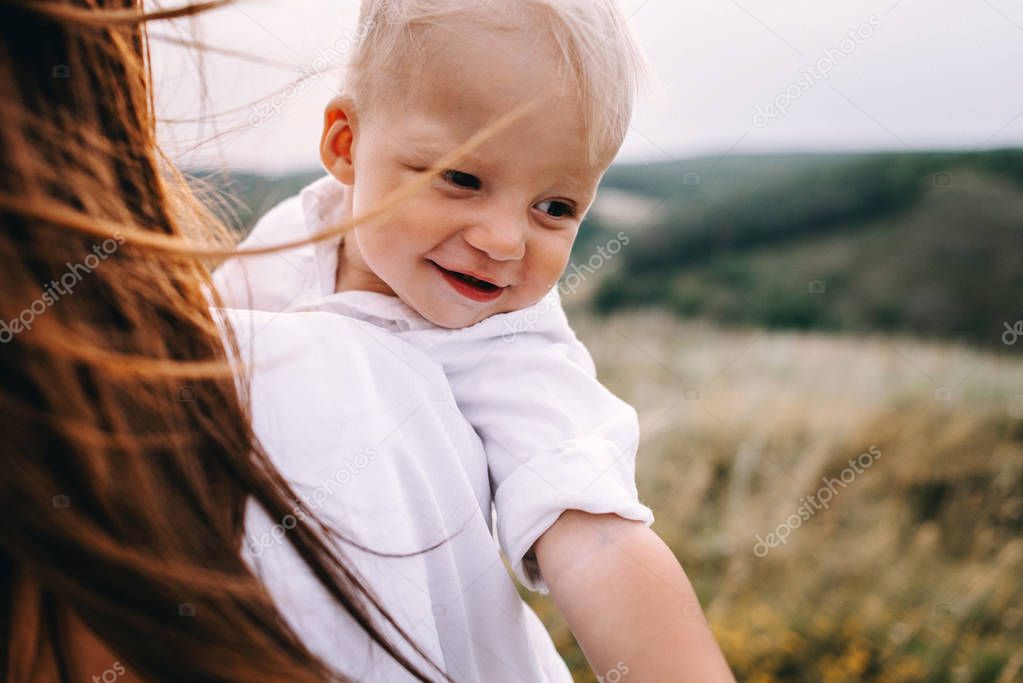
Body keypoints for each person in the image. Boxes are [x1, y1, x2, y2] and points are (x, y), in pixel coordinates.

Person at [1, 0, 734, 681]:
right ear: (345, 146)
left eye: (555, 206)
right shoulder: (291, 238)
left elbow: (600, 542)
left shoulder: (511, 346)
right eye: (461, 178)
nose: (504, 240)